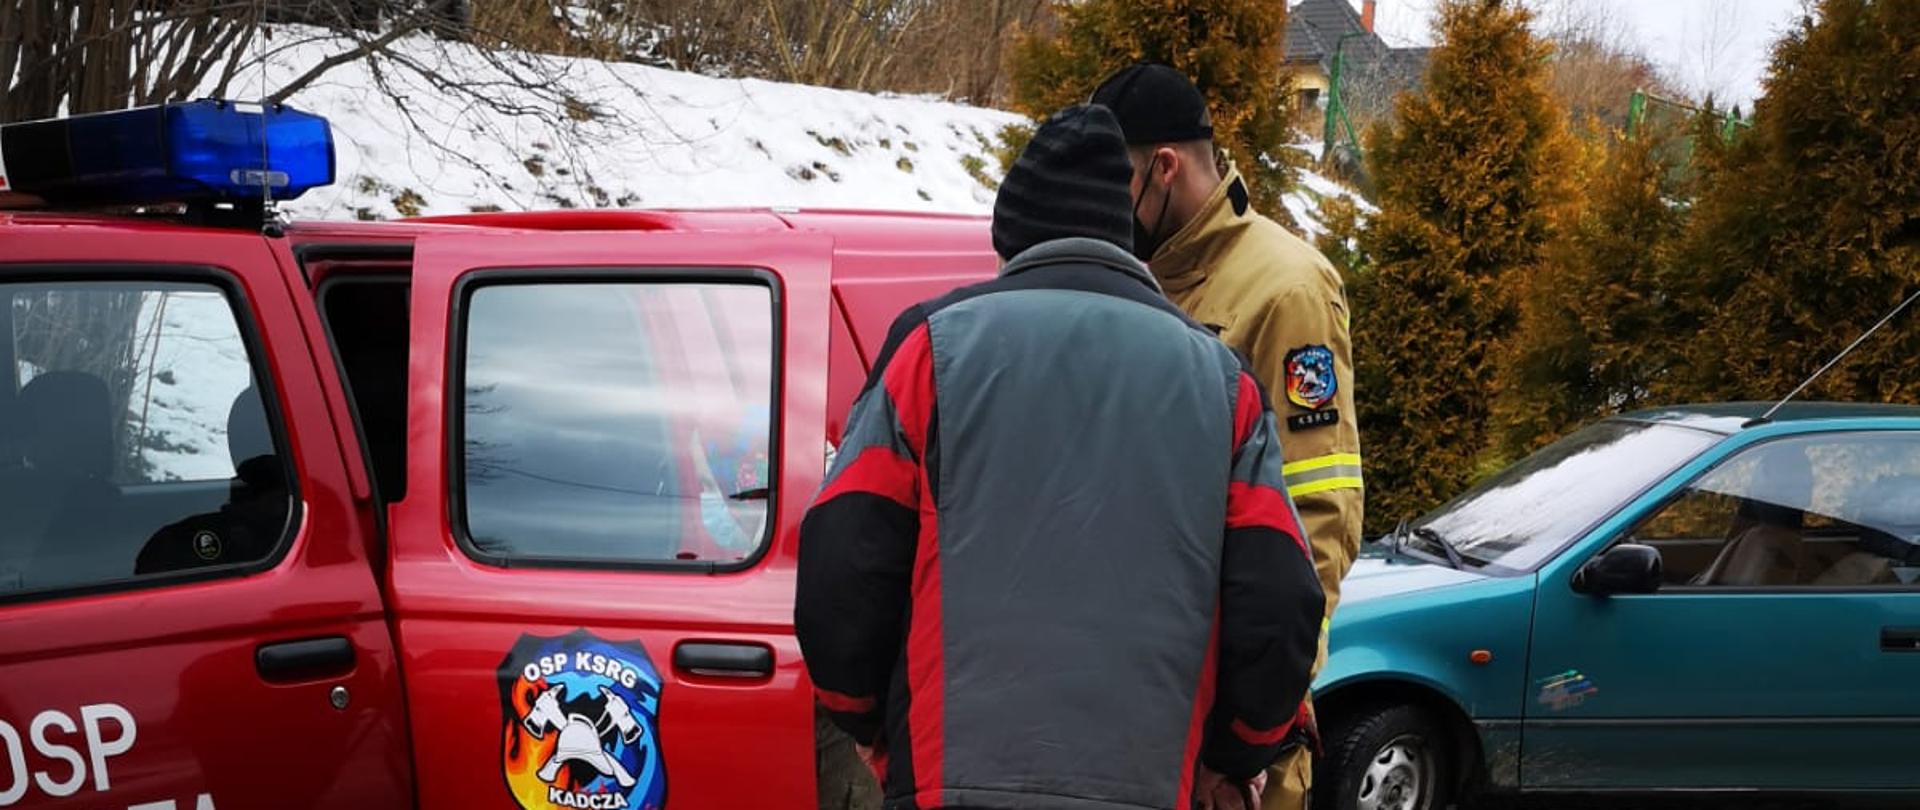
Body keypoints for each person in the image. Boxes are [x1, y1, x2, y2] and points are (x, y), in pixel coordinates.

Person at [794, 104, 1324, 810]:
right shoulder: (1224, 386)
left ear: (1011, 242)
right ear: (1123, 240)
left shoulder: (928, 351)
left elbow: (841, 570)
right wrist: (1232, 756)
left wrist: (872, 726)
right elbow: (1282, 601)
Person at [1091, 62, 1366, 809]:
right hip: (1146, 705)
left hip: (1234, 736)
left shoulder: (1287, 289)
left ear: (1164, 167)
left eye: (1114, 181)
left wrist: (1257, 727)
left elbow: (1319, 519)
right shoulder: (1137, 278)